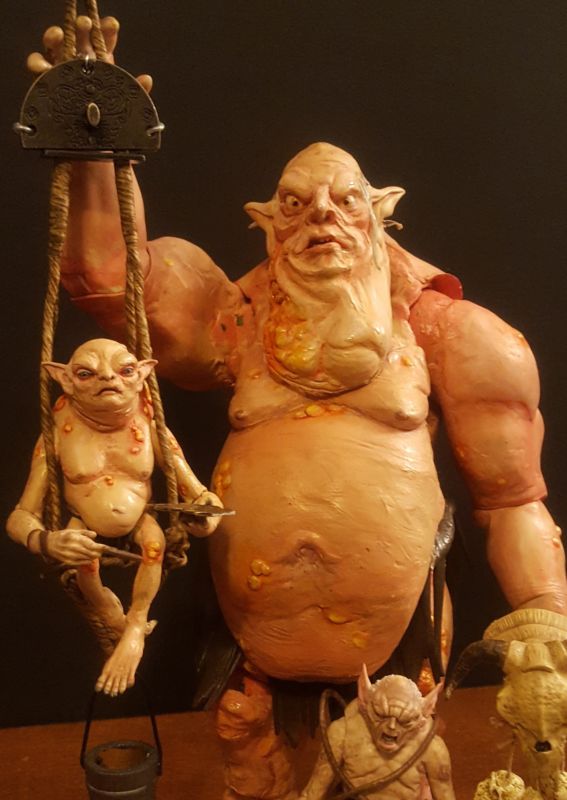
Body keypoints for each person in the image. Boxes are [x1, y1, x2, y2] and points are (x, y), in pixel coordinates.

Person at [24, 16, 567, 799]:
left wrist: (546, 628)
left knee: (399, 778)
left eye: (345, 202)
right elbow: (108, 279)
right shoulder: (235, 320)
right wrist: (96, 138)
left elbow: (511, 499)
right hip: (251, 636)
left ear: (380, 214)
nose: (321, 216)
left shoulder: (453, 336)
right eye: (297, 203)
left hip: (399, 639)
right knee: (250, 762)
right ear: (268, 221)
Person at [7, 338, 222, 696]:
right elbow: (20, 516)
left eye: (125, 370)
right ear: (65, 380)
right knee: (85, 562)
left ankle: (135, 627)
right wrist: (46, 540)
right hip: (82, 525)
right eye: (87, 373)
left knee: (154, 545)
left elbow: (203, 497)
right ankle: (106, 608)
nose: (108, 378)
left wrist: (204, 521)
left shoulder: (150, 425)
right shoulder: (59, 431)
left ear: (142, 376)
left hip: (142, 523)